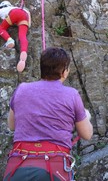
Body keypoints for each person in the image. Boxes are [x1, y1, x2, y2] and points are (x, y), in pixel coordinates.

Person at [4, 47, 93, 181]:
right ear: (64, 71)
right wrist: (86, 116)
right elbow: (87, 134)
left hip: (18, 166)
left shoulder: (21, 89)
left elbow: (12, 125)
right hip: (54, 167)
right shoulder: (72, 94)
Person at [0, 0, 31, 72]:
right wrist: (28, 24)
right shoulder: (15, 7)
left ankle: (9, 40)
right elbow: (28, 13)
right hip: (23, 14)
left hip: (13, 14)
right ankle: (23, 56)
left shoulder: (2, 10)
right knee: (22, 36)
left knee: (1, 28)